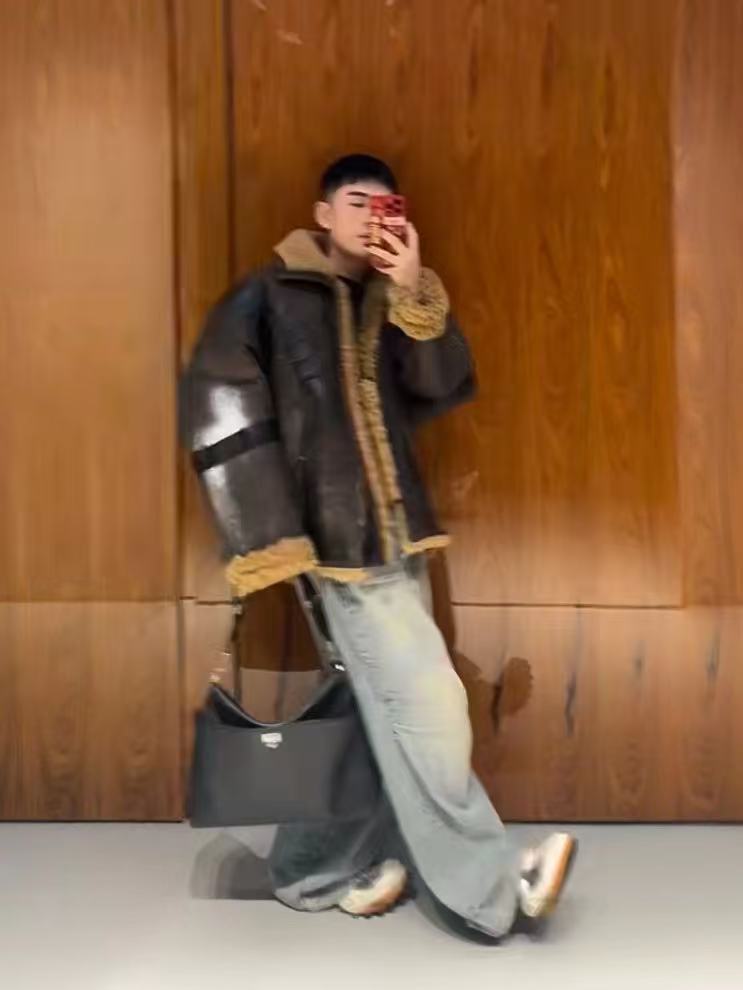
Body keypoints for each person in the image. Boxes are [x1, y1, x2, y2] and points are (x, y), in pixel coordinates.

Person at [180, 154, 577, 941]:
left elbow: (436, 387)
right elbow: (218, 402)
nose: (370, 217)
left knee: (379, 712)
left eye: (385, 205)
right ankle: (492, 888)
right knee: (429, 708)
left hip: (397, 538)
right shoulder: (266, 297)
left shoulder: (379, 299)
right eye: (355, 202)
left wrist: (412, 291)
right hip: (337, 551)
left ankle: (312, 870)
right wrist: (270, 536)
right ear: (322, 214)